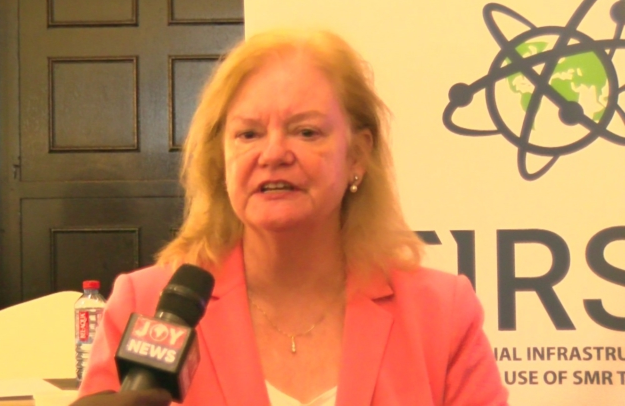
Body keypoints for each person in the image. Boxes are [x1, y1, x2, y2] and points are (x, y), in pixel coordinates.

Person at [72, 29, 508, 406]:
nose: (274, 153)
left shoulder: (441, 314)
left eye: (306, 132)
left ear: (357, 155)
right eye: (248, 134)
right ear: (219, 159)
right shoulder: (145, 305)